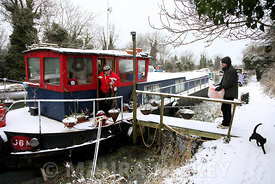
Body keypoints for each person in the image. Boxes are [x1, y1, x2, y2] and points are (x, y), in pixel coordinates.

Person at [215, 56, 238, 129]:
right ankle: (227, 122)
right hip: (227, 92)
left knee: (225, 108)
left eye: (223, 63)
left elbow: (229, 82)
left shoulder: (231, 71)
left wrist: (221, 87)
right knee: (226, 107)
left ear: (227, 63)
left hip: (230, 92)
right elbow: (224, 80)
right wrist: (220, 84)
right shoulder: (227, 70)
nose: (222, 64)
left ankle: (226, 124)